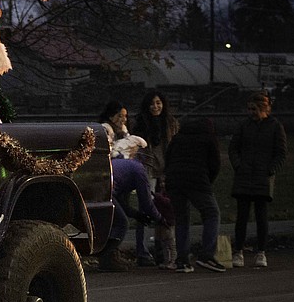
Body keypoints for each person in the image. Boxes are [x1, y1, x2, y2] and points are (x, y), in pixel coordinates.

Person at [229, 91, 288, 268]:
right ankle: (238, 251)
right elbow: (234, 148)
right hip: (245, 174)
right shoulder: (244, 126)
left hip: (262, 175)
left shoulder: (275, 126)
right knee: (242, 216)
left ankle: (261, 252)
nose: (251, 112)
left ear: (263, 109)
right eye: (249, 109)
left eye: (254, 109)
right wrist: (238, 165)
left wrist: (271, 169)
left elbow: (281, 152)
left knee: (261, 216)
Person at [165, 117, 223, 273]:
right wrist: (207, 182)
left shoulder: (178, 138)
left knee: (182, 218)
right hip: (197, 180)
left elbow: (168, 158)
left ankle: (182, 259)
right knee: (212, 213)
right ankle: (207, 255)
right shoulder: (208, 138)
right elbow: (215, 163)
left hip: (175, 181)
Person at [95, 156, 166, 272]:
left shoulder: (126, 166)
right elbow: (147, 203)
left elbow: (122, 204)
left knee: (113, 222)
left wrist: (136, 215)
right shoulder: (140, 171)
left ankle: (110, 255)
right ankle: (107, 259)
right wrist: (160, 219)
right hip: (105, 189)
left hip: (97, 187)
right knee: (121, 223)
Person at [131, 90, 179, 263]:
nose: (155, 106)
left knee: (167, 210)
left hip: (166, 171)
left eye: (158, 103)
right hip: (148, 171)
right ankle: (142, 250)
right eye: (152, 103)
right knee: (146, 209)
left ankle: (165, 250)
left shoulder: (171, 124)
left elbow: (174, 147)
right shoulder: (141, 124)